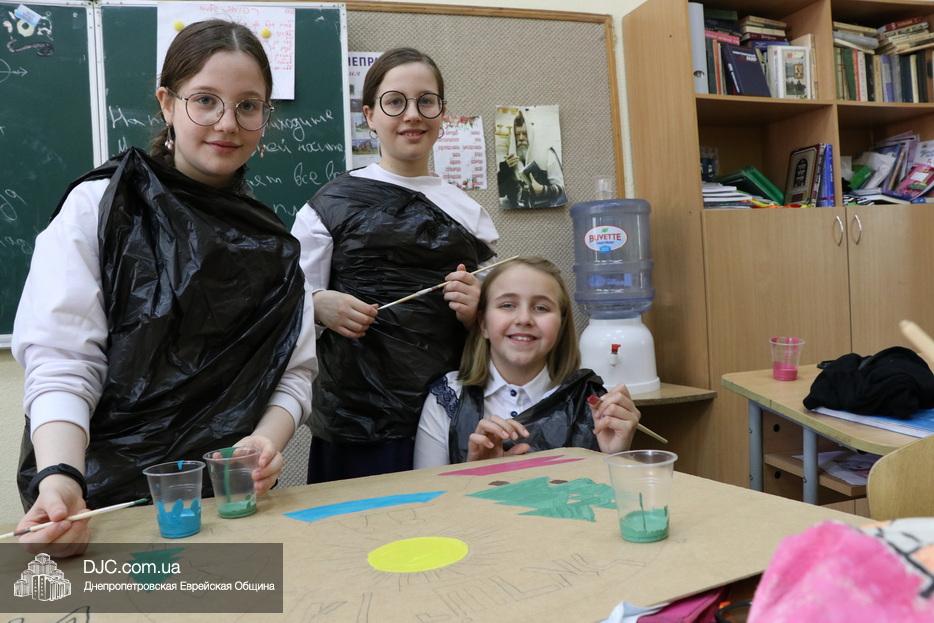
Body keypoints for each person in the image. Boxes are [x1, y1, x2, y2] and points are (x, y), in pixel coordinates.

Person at [12, 20, 317, 554]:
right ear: (167, 103)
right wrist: (60, 478)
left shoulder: (273, 245)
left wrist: (265, 442)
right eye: (205, 100)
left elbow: (294, 373)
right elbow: (63, 359)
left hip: (226, 508)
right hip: (95, 505)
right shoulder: (101, 209)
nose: (227, 123)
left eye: (248, 106)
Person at [292, 47, 498, 483]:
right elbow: (284, 302)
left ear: (442, 113)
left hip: (448, 412)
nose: (412, 115)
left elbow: (494, 332)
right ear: (369, 115)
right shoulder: (328, 206)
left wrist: (478, 310)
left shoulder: (470, 215)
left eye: (426, 101)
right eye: (395, 102)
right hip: (356, 425)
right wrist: (319, 304)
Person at [413, 257, 640, 468]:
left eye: (541, 308)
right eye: (507, 305)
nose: (524, 319)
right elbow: (425, 496)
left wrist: (616, 455)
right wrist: (478, 473)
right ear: (482, 323)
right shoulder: (447, 399)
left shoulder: (590, 402)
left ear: (560, 326)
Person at [496, 111, 566, 209]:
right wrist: (505, 170)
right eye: (517, 134)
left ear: (531, 135)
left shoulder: (547, 154)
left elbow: (562, 189)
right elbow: (500, 193)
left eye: (525, 134)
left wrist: (543, 190)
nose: (521, 138)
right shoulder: (509, 162)